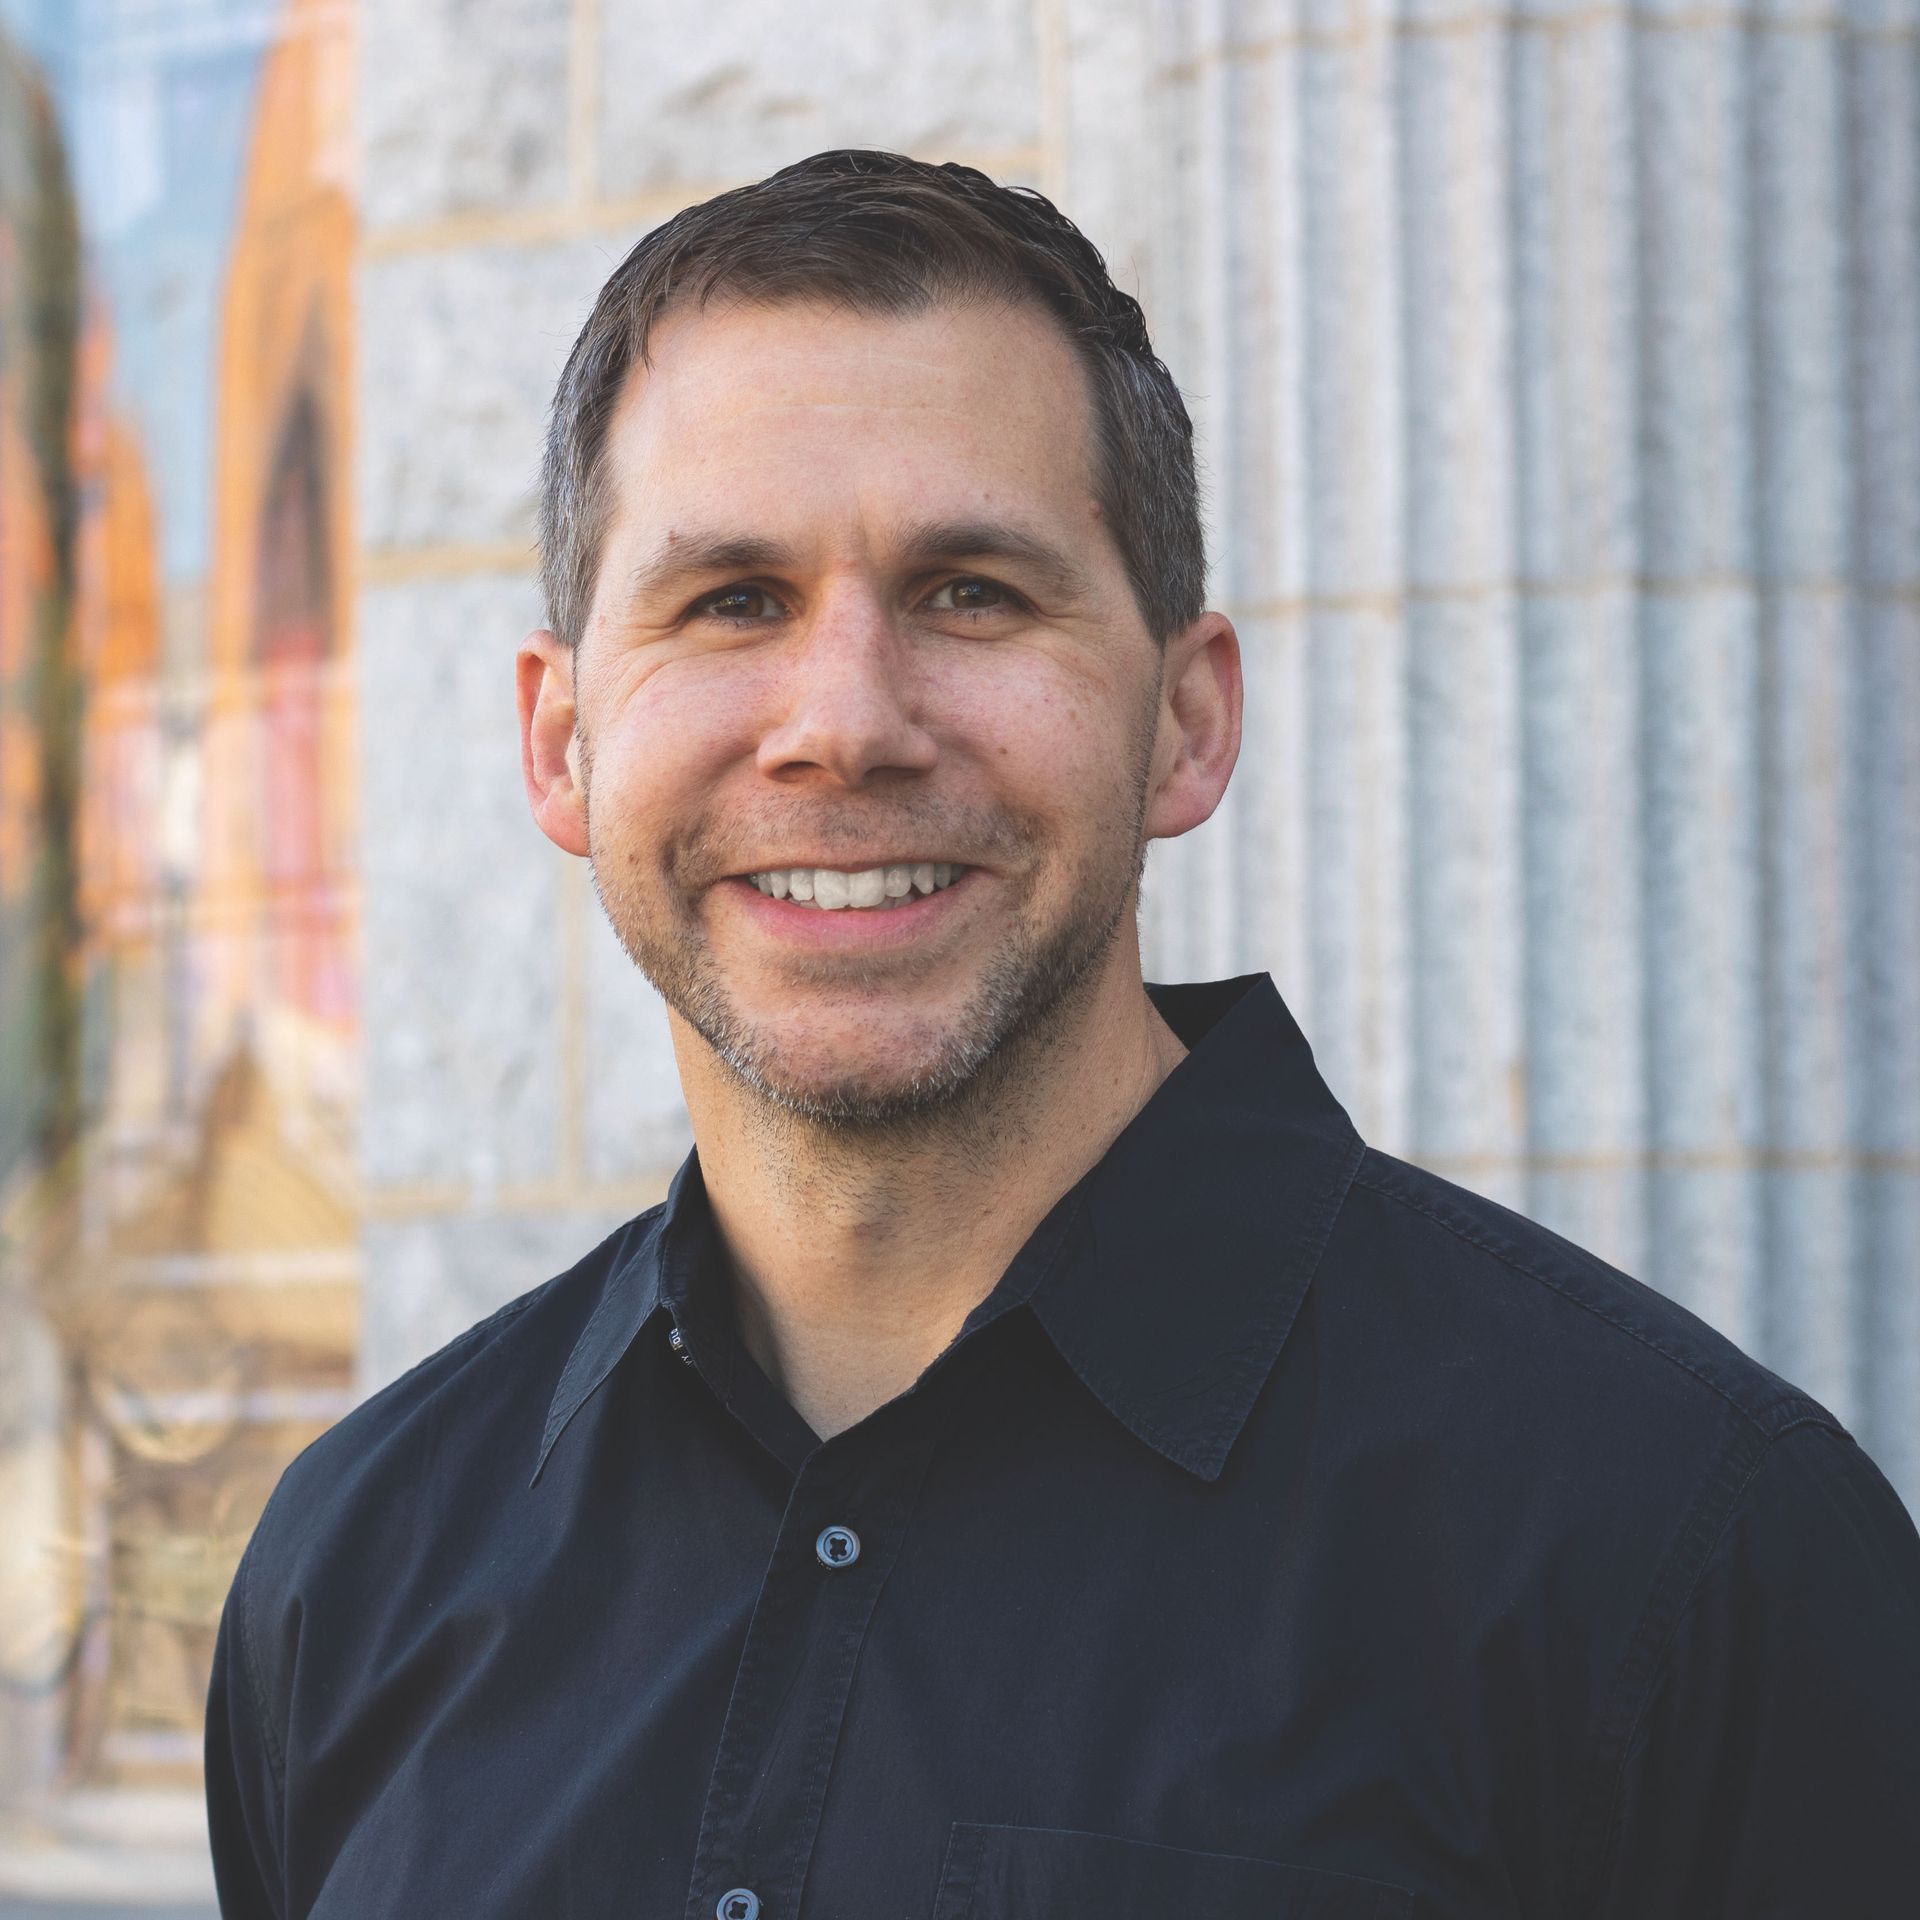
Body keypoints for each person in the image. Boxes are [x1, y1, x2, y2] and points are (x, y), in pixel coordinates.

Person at [204, 149, 1920, 1920]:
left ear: (1185, 722)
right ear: (561, 742)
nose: (845, 725)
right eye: (731, 601)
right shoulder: (355, 1572)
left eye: (971, 592)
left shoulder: (1686, 1557)